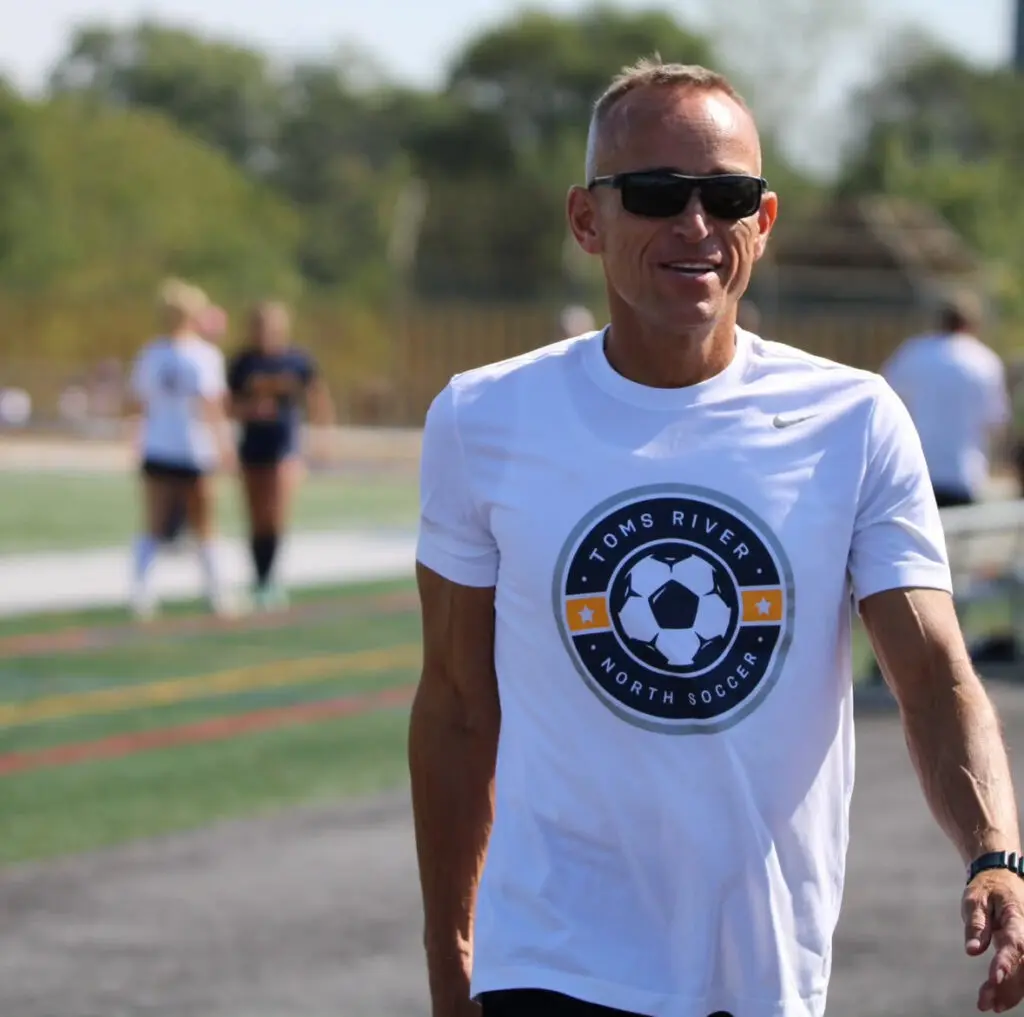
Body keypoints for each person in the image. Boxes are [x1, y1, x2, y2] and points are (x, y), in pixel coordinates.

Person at [409, 58, 1024, 1017]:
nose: (694, 225)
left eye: (727, 194)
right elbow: (454, 705)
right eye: (655, 194)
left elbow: (936, 674)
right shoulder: (482, 418)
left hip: (765, 970)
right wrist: (453, 958)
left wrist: (996, 852)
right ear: (586, 219)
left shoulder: (854, 419)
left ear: (762, 223)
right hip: (552, 959)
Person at [126, 279, 236, 619]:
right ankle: (215, 591)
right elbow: (212, 408)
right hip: (190, 449)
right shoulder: (203, 355)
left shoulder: (152, 353)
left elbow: (140, 404)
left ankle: (145, 593)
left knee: (158, 523)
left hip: (162, 446)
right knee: (200, 524)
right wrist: (224, 447)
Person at [226, 301, 334, 610]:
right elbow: (226, 404)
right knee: (256, 516)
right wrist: (250, 410)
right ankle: (258, 578)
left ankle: (271, 578)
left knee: (276, 514)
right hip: (252, 446)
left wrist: (323, 436)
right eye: (260, 327)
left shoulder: (297, 361)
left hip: (284, 446)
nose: (266, 333)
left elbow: (318, 397)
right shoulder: (243, 362)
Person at [881, 292, 1010, 508]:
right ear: (972, 324)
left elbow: (884, 407)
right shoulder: (984, 361)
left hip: (914, 472)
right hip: (963, 475)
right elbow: (995, 422)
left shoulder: (913, 354)